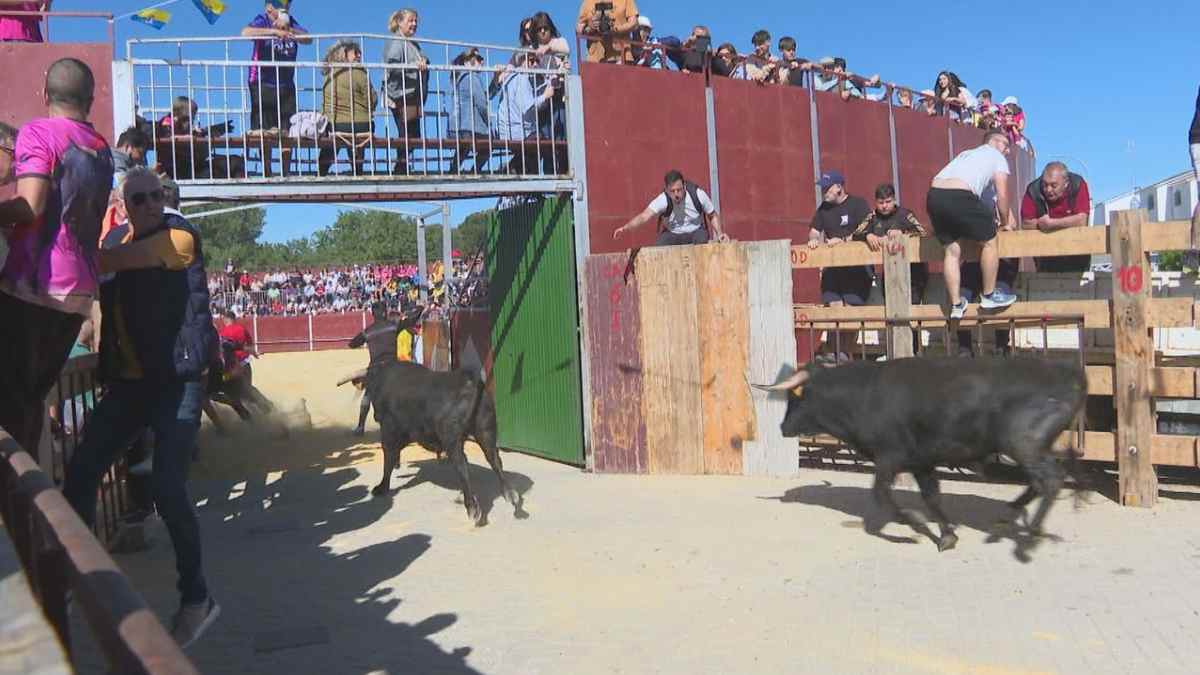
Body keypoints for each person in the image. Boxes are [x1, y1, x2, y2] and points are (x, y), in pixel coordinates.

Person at [61, 166, 220, 649]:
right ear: (125, 205)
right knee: (81, 472)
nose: (152, 205)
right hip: (130, 385)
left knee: (169, 488)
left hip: (177, 381)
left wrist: (78, 249)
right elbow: (99, 303)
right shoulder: (117, 241)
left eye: (156, 196)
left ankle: (197, 600)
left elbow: (123, 261)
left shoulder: (179, 236)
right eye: (140, 199)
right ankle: (76, 577)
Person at [0, 57, 113, 455]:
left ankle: (20, 501)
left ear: (44, 95)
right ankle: (29, 502)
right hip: (78, 289)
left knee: (11, 404)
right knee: (30, 399)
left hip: (35, 282)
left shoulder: (38, 132)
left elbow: (30, 207)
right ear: (89, 99)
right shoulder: (101, 148)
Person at [926, 128, 1018, 319]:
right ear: (994, 142)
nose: (1007, 151)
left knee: (951, 251)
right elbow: (1002, 195)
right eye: (1006, 145)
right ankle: (990, 294)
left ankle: (956, 304)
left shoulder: (967, 154)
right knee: (990, 240)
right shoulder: (996, 156)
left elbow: (982, 199)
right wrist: (1004, 223)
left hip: (934, 196)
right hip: (960, 195)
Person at [807, 171, 872, 360]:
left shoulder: (858, 205)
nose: (824, 192)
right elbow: (813, 231)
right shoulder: (823, 209)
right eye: (823, 188)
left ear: (839, 187)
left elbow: (867, 229)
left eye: (828, 188)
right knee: (834, 307)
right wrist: (813, 240)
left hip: (857, 269)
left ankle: (845, 353)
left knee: (850, 310)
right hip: (833, 269)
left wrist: (843, 240)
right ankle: (835, 354)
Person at [242, 1, 310, 176]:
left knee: (288, 129)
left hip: (286, 84)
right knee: (264, 130)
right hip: (262, 81)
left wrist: (289, 30)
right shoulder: (262, 20)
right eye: (280, 3)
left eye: (287, 3)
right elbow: (245, 32)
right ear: (268, 7)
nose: (285, 6)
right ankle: (267, 170)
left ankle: (286, 171)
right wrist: (274, 31)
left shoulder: (291, 22)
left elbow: (308, 39)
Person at [613, 169, 728, 246]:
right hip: (673, 234)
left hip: (695, 232)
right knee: (660, 245)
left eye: (679, 190)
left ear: (684, 186)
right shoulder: (663, 199)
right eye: (672, 191)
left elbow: (712, 215)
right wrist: (625, 228)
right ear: (667, 190)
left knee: (702, 240)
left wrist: (720, 234)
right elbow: (644, 216)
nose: (676, 194)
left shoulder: (697, 194)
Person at [1020, 161, 1092, 272]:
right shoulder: (1033, 190)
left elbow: (1082, 220)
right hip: (1045, 257)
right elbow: (1026, 223)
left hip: (1076, 254)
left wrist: (1050, 224)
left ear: (1066, 183)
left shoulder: (1078, 184)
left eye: (1054, 185)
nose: (1048, 190)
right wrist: (1069, 222)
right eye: (1045, 185)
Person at [347, 301, 399, 436]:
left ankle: (360, 426)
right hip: (394, 367)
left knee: (367, 396)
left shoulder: (368, 331)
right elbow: (410, 321)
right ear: (385, 312)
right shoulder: (393, 326)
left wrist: (365, 337)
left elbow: (352, 344)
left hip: (376, 370)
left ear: (373, 314)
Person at [576, 0, 640, 64]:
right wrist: (591, 28)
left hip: (622, 56)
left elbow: (634, 23)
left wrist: (615, 29)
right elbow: (578, 29)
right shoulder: (588, 2)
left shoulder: (626, 1)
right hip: (596, 59)